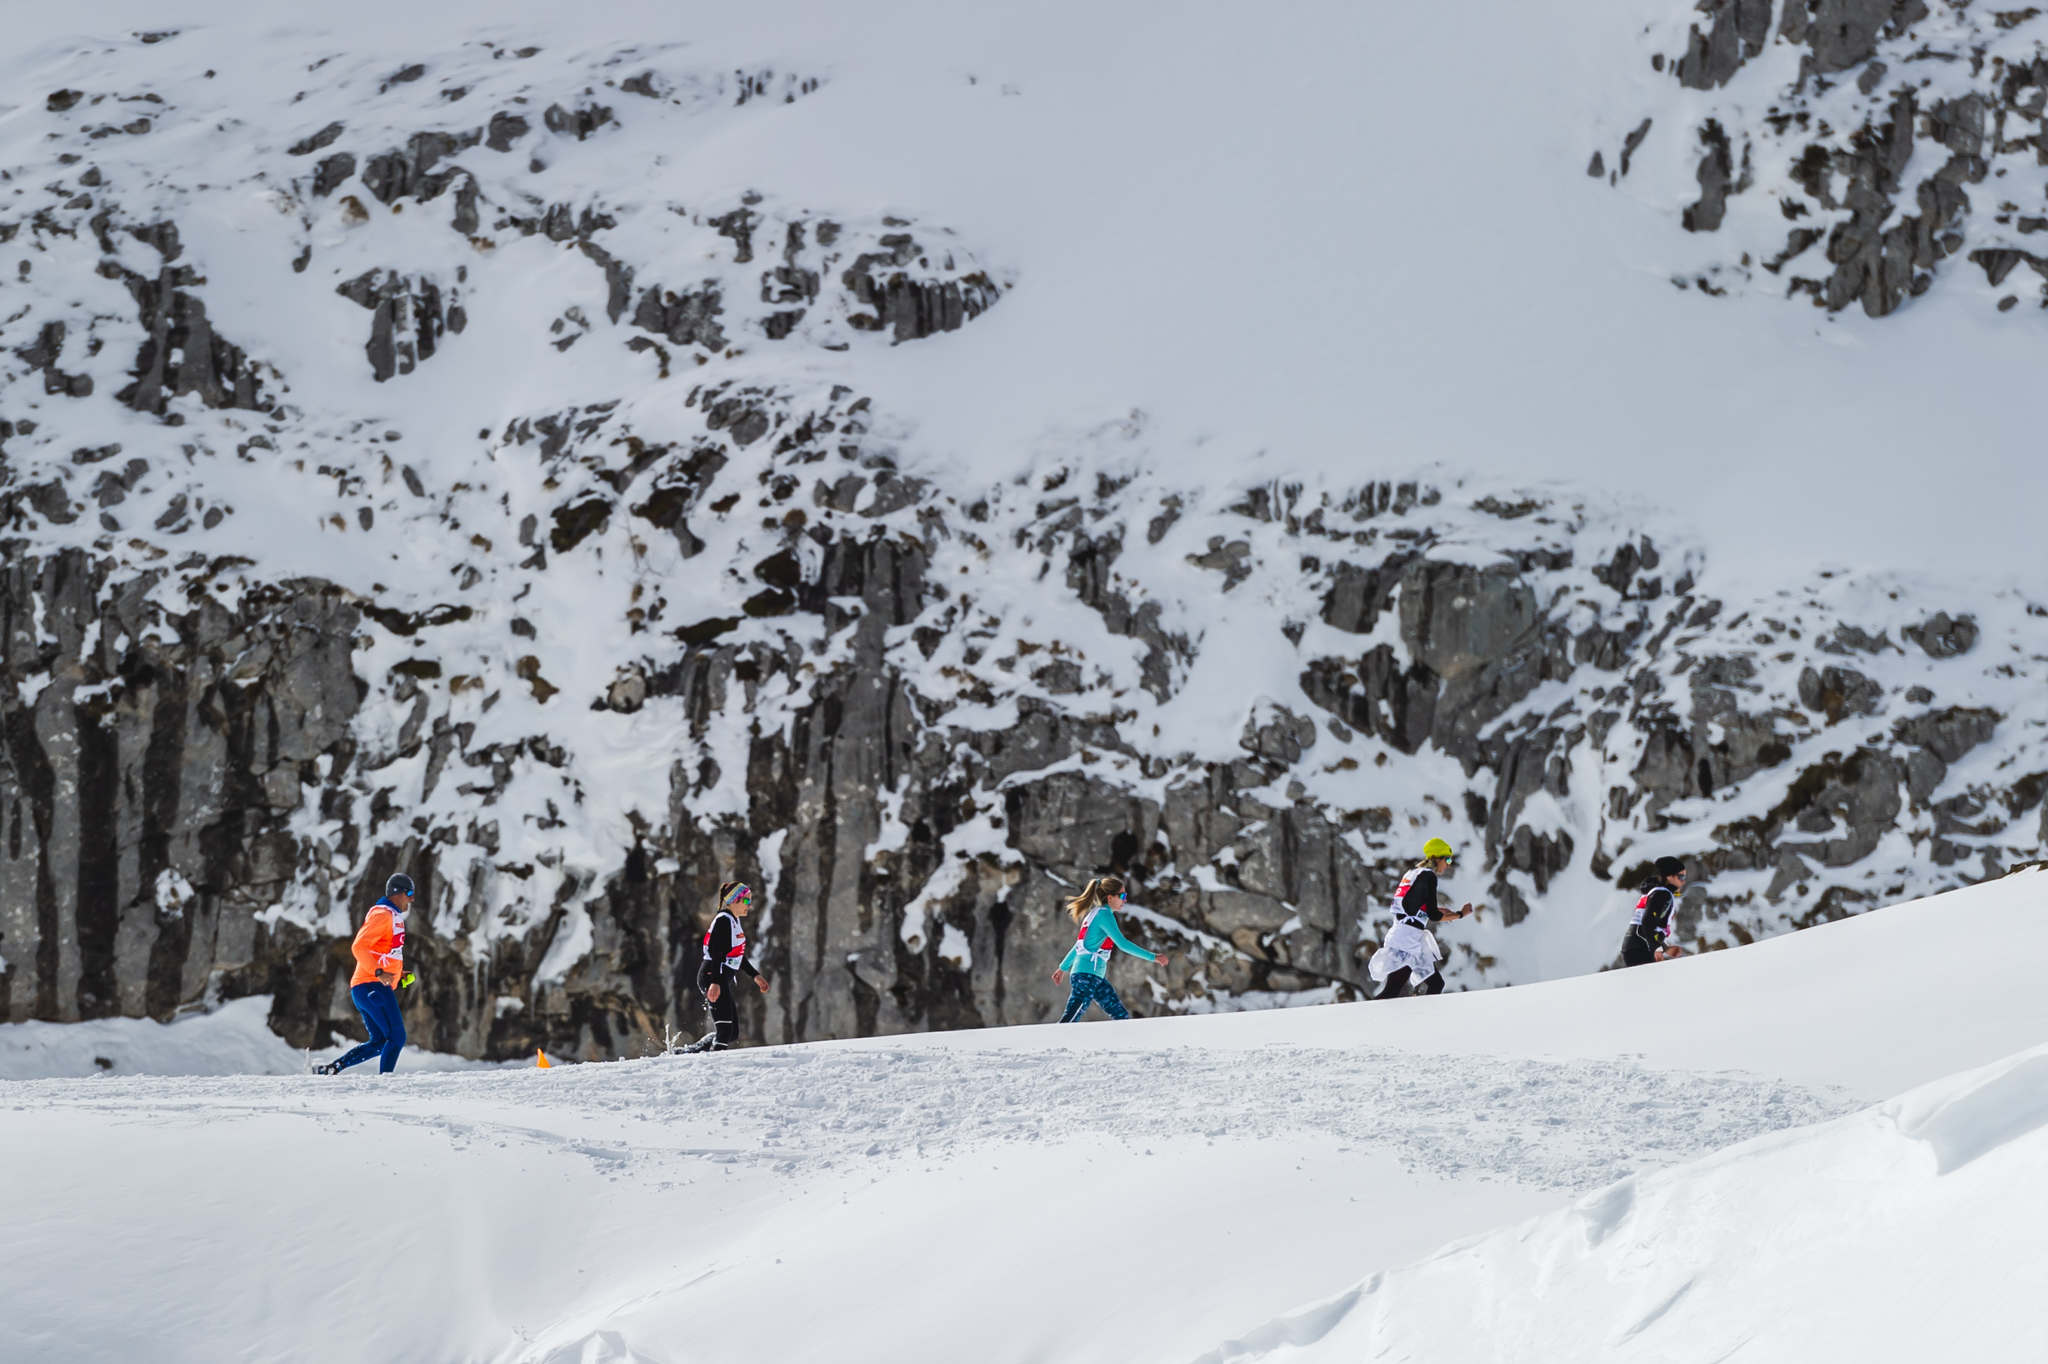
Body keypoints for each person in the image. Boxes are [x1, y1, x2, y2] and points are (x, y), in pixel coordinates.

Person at [314, 873, 417, 1075]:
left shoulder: (391, 916)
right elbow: (359, 947)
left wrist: (397, 973)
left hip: (366, 987)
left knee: (380, 1042)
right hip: (372, 986)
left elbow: (383, 952)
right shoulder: (383, 915)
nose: (412, 899)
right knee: (396, 1037)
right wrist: (379, 972)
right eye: (410, 893)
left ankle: (330, 1070)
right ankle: (385, 1083)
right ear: (397, 894)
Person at [1368, 838, 1478, 999]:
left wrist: (1444, 911)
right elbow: (1433, 914)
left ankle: (1420, 1015)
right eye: (1447, 859)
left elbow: (1413, 908)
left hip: (1404, 936)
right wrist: (1460, 914)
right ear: (1436, 858)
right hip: (1406, 941)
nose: (1448, 864)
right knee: (1397, 990)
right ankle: (1366, 1019)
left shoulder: (1412, 874)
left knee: (1430, 984)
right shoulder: (1428, 876)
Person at [1052, 876, 1157, 1022]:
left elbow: (1079, 946)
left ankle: (1121, 1045)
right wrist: (1153, 957)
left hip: (1093, 977)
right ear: (1110, 897)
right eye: (1122, 896)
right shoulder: (1104, 915)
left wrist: (1062, 968)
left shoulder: (1095, 914)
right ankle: (1051, 1042)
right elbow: (1122, 944)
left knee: (1121, 1016)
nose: (1125, 900)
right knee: (1070, 1019)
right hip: (1086, 976)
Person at [691, 880, 770, 1051]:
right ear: (734, 900)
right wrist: (715, 982)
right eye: (746, 901)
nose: (749, 905)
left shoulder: (733, 920)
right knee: (725, 1031)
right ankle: (709, 1065)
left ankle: (692, 1051)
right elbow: (716, 952)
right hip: (712, 976)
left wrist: (755, 975)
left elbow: (737, 955)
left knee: (731, 1032)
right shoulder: (723, 920)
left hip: (719, 978)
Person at [1621, 856, 1688, 967]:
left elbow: (1650, 927)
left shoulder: (1656, 892)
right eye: (1681, 876)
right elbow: (1647, 922)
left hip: (1635, 948)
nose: (1683, 881)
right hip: (1640, 949)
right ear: (1669, 877)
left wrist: (1665, 948)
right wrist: (1657, 948)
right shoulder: (1662, 894)